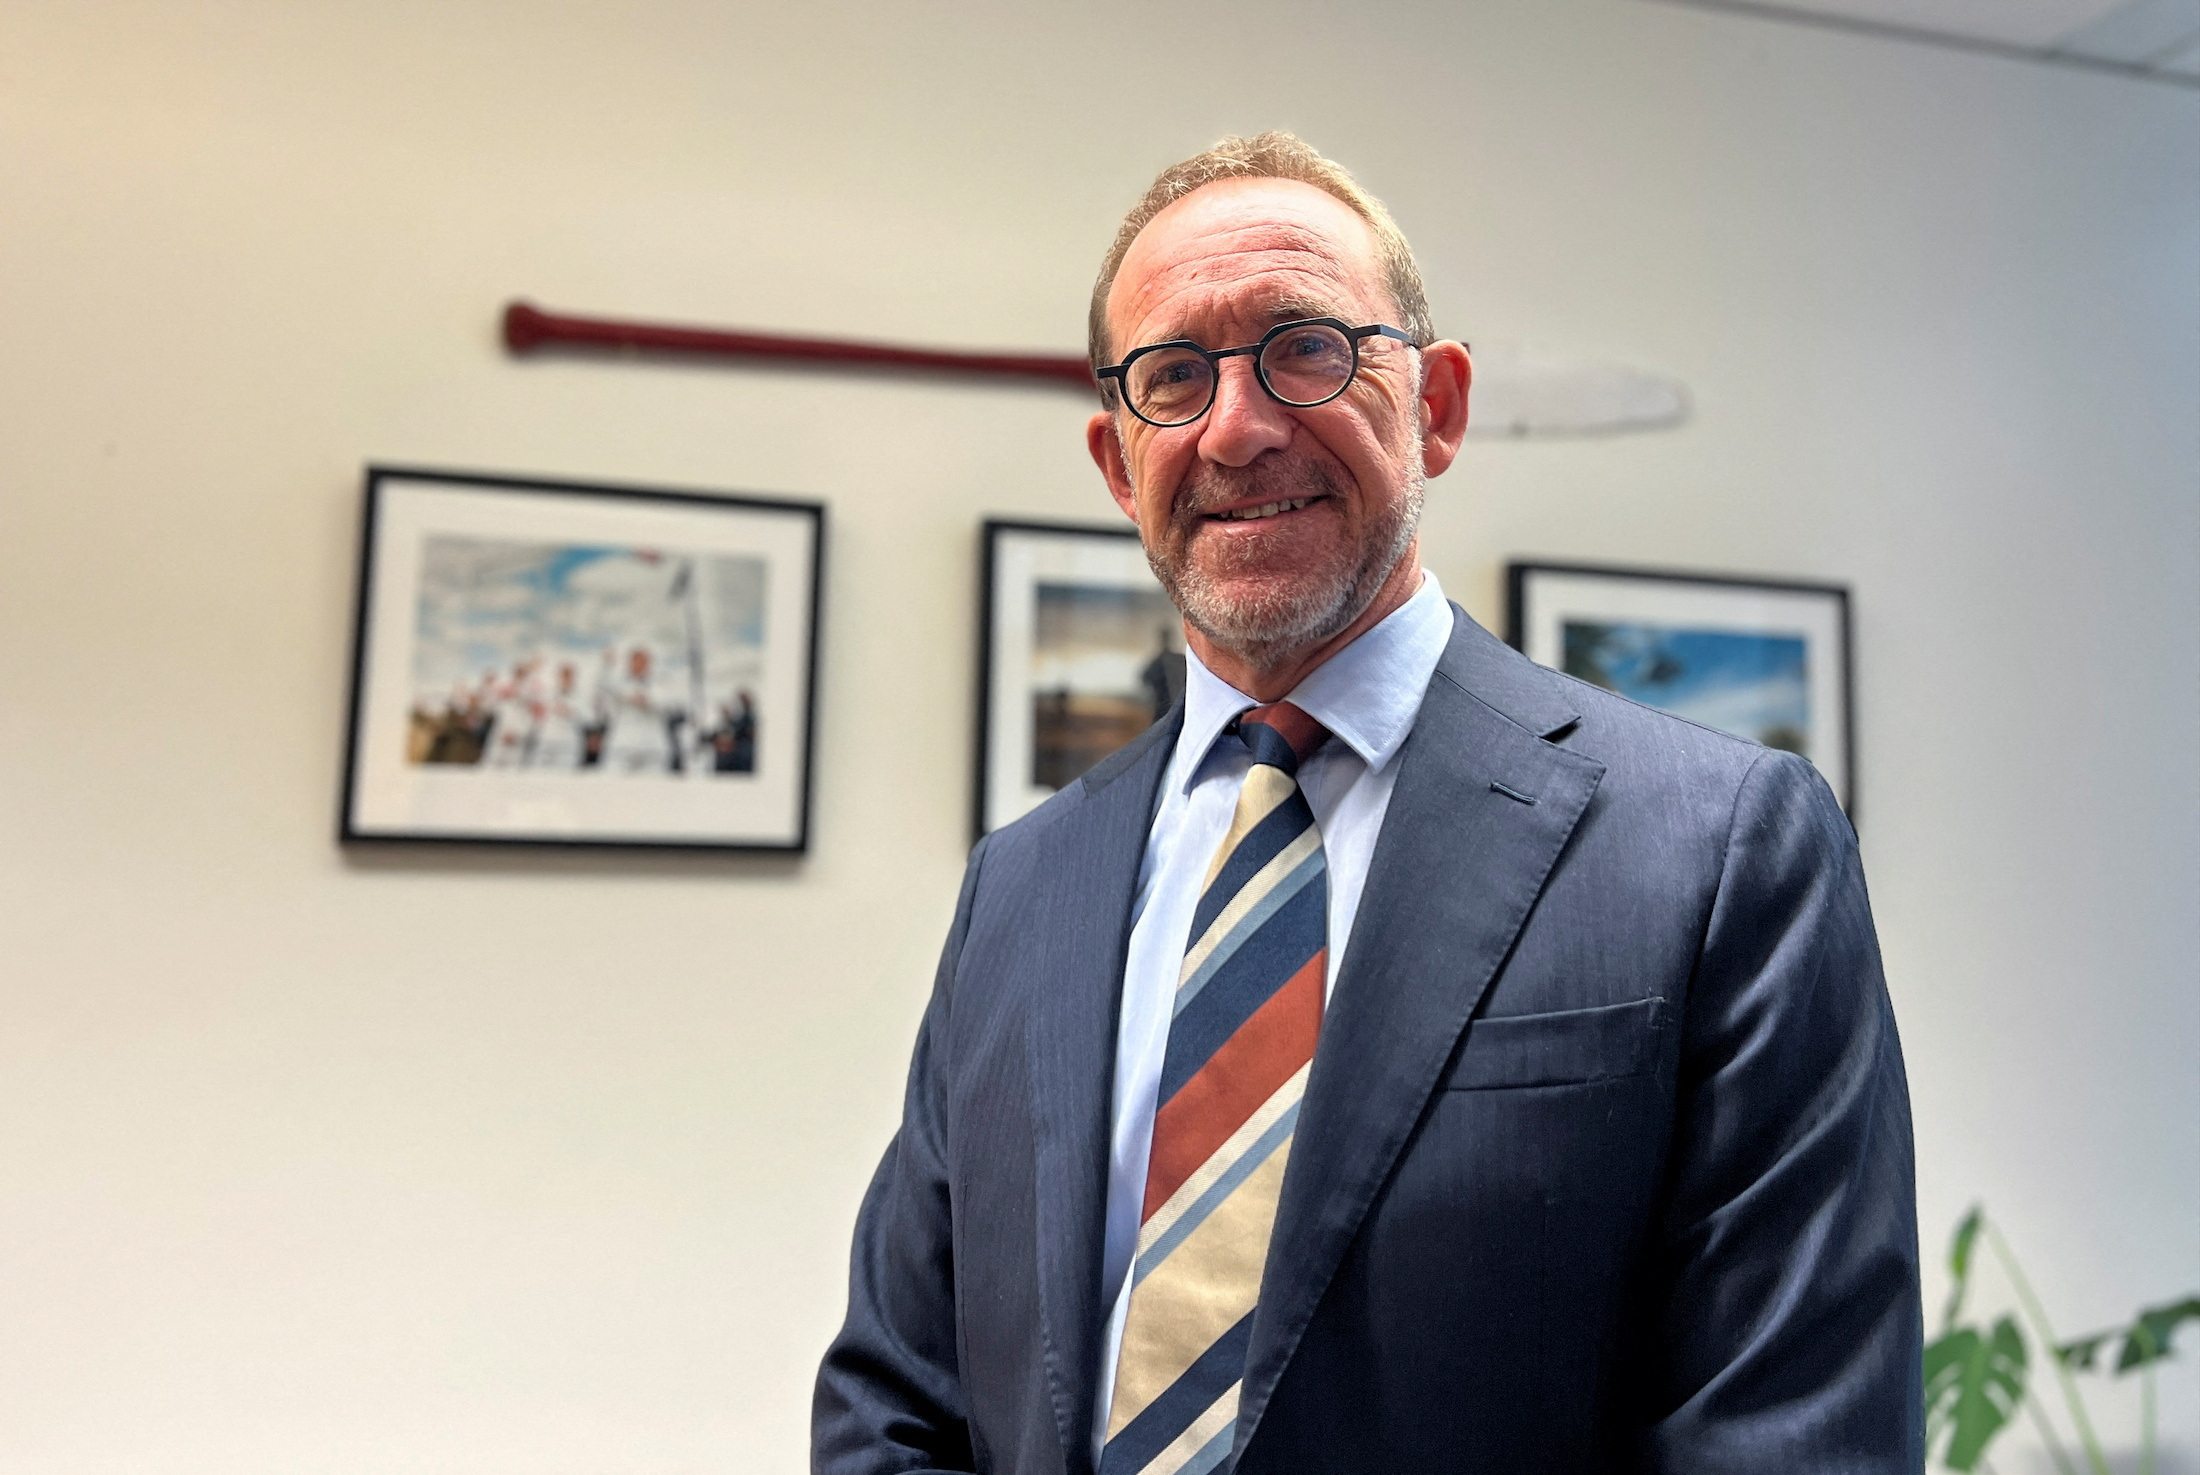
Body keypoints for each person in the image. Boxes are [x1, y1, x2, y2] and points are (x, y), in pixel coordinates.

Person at [815, 133, 1921, 1473]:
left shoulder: (1720, 845)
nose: (1236, 426)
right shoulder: (1025, 884)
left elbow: (1789, 1440)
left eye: (1305, 349)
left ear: (1436, 407)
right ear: (1119, 465)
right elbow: (898, 1399)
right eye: (1175, 376)